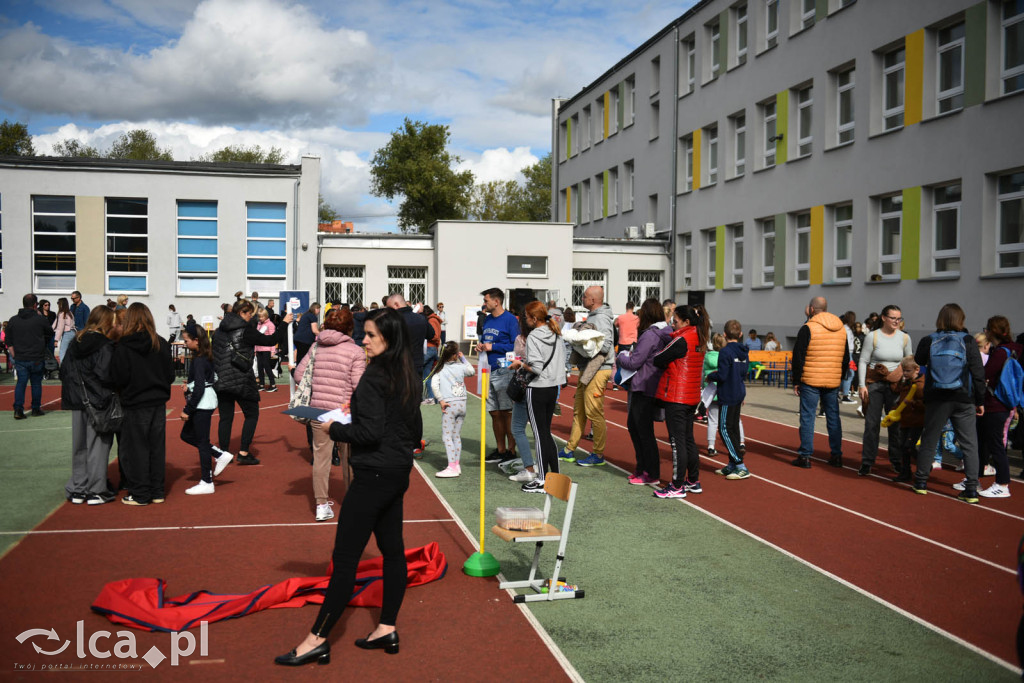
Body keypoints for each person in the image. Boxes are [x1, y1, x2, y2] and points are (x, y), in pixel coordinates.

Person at [275, 308, 422, 666]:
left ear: (388, 338)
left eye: (370, 335)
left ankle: (316, 640)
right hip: (396, 472)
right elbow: (411, 430)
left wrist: (334, 428)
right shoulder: (408, 374)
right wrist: (358, 412)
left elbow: (369, 433)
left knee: (344, 561)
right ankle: (386, 627)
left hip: (372, 475)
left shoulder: (374, 377)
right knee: (392, 551)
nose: (364, 340)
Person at [293, 307, 366, 519]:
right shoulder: (355, 351)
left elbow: (299, 375)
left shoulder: (316, 346)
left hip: (318, 411)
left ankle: (321, 505)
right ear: (350, 327)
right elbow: (359, 386)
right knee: (349, 458)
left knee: (321, 459)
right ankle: (353, 502)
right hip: (344, 412)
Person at [913, 303, 986, 502]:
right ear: (961, 320)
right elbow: (978, 373)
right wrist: (980, 400)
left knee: (930, 438)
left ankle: (921, 481)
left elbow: (919, 360)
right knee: (970, 443)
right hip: (964, 398)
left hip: (937, 397)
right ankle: (971, 488)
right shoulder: (969, 341)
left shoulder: (929, 340)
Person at [213, 299, 293, 466]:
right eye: (249, 314)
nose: (251, 317)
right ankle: (243, 451)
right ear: (242, 313)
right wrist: (284, 323)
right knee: (252, 414)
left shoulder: (218, 331)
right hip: (242, 379)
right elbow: (271, 341)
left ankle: (224, 453)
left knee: (225, 418)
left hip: (222, 378)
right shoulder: (245, 331)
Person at [111, 303, 175, 506]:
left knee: (136, 448)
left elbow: (118, 377)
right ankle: (156, 491)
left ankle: (140, 493)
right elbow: (170, 375)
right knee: (156, 447)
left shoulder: (124, 346)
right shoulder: (161, 343)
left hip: (135, 402)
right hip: (157, 402)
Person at [60, 306, 118, 505]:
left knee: (80, 446)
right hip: (99, 401)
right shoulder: (105, 344)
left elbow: (63, 372)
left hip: (77, 400)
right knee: (98, 447)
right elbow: (106, 374)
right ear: (106, 322)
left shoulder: (76, 342)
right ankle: (96, 490)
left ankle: (79, 488)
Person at [645, 302, 705, 495]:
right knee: (688, 440)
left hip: (677, 396)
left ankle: (677, 485)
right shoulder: (700, 337)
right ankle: (693, 480)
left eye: (675, 320)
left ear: (686, 321)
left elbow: (658, 358)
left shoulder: (682, 340)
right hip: (691, 395)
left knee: (677, 442)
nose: (672, 323)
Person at [510, 301, 567, 493]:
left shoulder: (534, 336)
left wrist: (519, 364)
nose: (525, 320)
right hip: (552, 387)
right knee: (545, 433)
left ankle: (542, 479)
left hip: (537, 387)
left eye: (526, 317)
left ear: (535, 318)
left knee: (539, 433)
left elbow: (536, 367)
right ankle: (555, 475)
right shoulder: (556, 333)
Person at [615, 299, 672, 486]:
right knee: (637, 427)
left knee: (642, 431)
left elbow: (634, 363)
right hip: (650, 385)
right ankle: (642, 468)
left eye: (640, 315)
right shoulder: (665, 332)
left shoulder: (650, 335)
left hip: (644, 386)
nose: (638, 318)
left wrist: (621, 356)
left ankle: (650, 472)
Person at [791, 296, 848, 469]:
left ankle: (805, 456)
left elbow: (798, 356)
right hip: (832, 379)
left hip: (811, 378)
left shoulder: (808, 327)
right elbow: (846, 357)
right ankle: (837, 455)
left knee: (808, 417)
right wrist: (840, 376)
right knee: (833, 417)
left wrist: (796, 380)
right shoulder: (841, 328)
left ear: (811, 309)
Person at [559, 286, 615, 467]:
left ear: (593, 300)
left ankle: (598, 454)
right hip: (588, 368)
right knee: (579, 411)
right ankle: (569, 450)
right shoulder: (594, 316)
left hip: (598, 369)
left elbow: (606, 346)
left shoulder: (601, 317)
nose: (582, 298)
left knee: (594, 412)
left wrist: (582, 341)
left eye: (584, 296)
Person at [857, 305, 912, 476]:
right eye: (893, 318)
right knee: (872, 424)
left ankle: (896, 461)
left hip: (896, 386)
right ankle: (867, 461)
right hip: (875, 384)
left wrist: (907, 384)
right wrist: (861, 385)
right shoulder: (872, 337)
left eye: (899, 318)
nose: (897, 321)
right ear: (883, 318)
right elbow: (863, 361)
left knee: (895, 425)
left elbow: (909, 362)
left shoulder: (904, 338)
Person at [970, 315, 1021, 498]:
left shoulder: (1001, 352)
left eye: (987, 329)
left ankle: (1002, 483)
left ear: (992, 331)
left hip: (996, 403)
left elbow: (985, 373)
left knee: (995, 444)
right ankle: (974, 479)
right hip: (1006, 402)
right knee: (985, 441)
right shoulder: (1016, 348)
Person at [178, 329, 231, 495]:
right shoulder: (204, 357)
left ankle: (207, 481)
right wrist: (190, 386)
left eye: (186, 341)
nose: (185, 344)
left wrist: (187, 409)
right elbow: (209, 380)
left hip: (202, 403)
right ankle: (219, 454)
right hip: (204, 401)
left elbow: (201, 387)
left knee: (202, 442)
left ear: (196, 340)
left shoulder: (200, 360)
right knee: (187, 435)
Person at [475, 288, 520, 467]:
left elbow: (515, 345)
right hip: (487, 369)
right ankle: (500, 449)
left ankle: (511, 450)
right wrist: (481, 346)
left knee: (506, 412)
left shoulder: (510, 320)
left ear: (497, 301)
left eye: (486, 301)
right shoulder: (487, 319)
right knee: (494, 412)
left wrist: (492, 347)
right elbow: (486, 341)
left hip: (504, 370)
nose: (484, 304)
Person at [705, 320, 750, 479]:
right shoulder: (744, 351)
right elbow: (744, 372)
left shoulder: (725, 352)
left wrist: (710, 376)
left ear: (724, 334)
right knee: (733, 429)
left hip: (728, 393)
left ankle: (740, 464)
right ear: (740, 334)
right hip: (739, 392)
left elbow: (722, 375)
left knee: (724, 428)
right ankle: (732, 463)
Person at [429, 342, 476, 478]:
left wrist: (441, 400)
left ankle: (451, 466)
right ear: (456, 355)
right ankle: (456, 464)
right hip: (462, 404)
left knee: (447, 436)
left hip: (449, 405)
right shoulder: (461, 367)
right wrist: (463, 358)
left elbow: (434, 385)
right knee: (456, 436)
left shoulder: (440, 369)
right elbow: (471, 371)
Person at [6, 293, 51, 419]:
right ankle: (36, 408)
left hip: (20, 357)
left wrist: (14, 354)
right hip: (36, 356)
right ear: (35, 305)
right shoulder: (39, 319)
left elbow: (8, 340)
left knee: (21, 383)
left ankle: (18, 409)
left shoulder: (13, 320)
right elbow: (49, 333)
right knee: (36, 384)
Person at [890, 356, 926, 484]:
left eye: (907, 371)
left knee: (909, 446)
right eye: (903, 371)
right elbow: (901, 400)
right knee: (903, 447)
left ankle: (925, 464)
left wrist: (912, 403)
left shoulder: (920, 385)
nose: (904, 374)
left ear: (916, 369)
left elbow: (925, 405)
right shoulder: (906, 383)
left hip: (916, 421)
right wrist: (894, 410)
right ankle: (905, 472)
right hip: (905, 420)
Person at [421, 305, 443, 404]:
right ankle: (431, 398)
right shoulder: (434, 319)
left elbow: (435, 336)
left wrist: (424, 335)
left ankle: (428, 397)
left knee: (416, 367)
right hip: (432, 348)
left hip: (430, 348)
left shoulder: (432, 320)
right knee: (427, 374)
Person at [255, 308, 278, 393]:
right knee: (259, 367)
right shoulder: (258, 324)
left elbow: (272, 338)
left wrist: (272, 350)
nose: (260, 318)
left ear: (265, 316)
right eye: (259, 317)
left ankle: (273, 384)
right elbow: (257, 337)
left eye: (261, 317)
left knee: (267, 366)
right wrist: (255, 349)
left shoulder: (270, 325)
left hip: (267, 349)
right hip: (259, 348)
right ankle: (261, 384)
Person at [839, 312, 858, 403]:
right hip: (847, 353)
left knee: (846, 374)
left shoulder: (847, 329)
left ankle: (841, 394)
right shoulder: (846, 329)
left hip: (848, 353)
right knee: (850, 374)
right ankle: (845, 395)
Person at [53, 297, 75, 364]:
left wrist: (56, 340)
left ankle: (63, 368)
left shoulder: (62, 314)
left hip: (67, 333)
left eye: (58, 303)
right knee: (70, 352)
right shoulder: (69, 313)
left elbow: (60, 327)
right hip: (73, 332)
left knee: (62, 351)